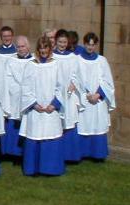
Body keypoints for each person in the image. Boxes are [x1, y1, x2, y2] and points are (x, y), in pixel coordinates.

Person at [20, 36, 65, 176]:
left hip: (51, 109)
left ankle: (50, 169)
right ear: (38, 49)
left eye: (46, 47)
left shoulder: (56, 64)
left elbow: (61, 86)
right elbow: (25, 87)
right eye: (41, 47)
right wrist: (33, 104)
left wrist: (55, 104)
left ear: (50, 48)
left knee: (50, 136)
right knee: (35, 135)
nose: (43, 50)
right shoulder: (31, 64)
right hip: (36, 109)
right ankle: (32, 169)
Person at [75, 32, 115, 161]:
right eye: (88, 44)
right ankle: (83, 153)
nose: (90, 47)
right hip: (83, 98)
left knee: (97, 124)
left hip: (98, 100)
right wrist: (86, 94)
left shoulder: (102, 61)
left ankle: (98, 154)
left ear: (96, 45)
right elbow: (75, 79)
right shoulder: (77, 60)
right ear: (84, 44)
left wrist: (98, 94)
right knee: (83, 124)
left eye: (92, 45)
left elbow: (107, 81)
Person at [0, 36, 34, 160]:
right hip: (14, 96)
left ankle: (24, 152)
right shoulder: (11, 60)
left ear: (28, 46)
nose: (20, 49)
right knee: (14, 122)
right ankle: (12, 153)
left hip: (29, 96)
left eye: (23, 46)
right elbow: (7, 78)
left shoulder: (35, 61)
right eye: (18, 47)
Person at [52, 29, 82, 162]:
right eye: (60, 41)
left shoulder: (73, 57)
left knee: (69, 123)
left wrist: (74, 83)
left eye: (64, 42)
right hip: (55, 93)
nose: (62, 44)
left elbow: (78, 75)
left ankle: (69, 155)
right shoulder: (51, 56)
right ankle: (55, 154)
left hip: (69, 95)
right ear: (56, 41)